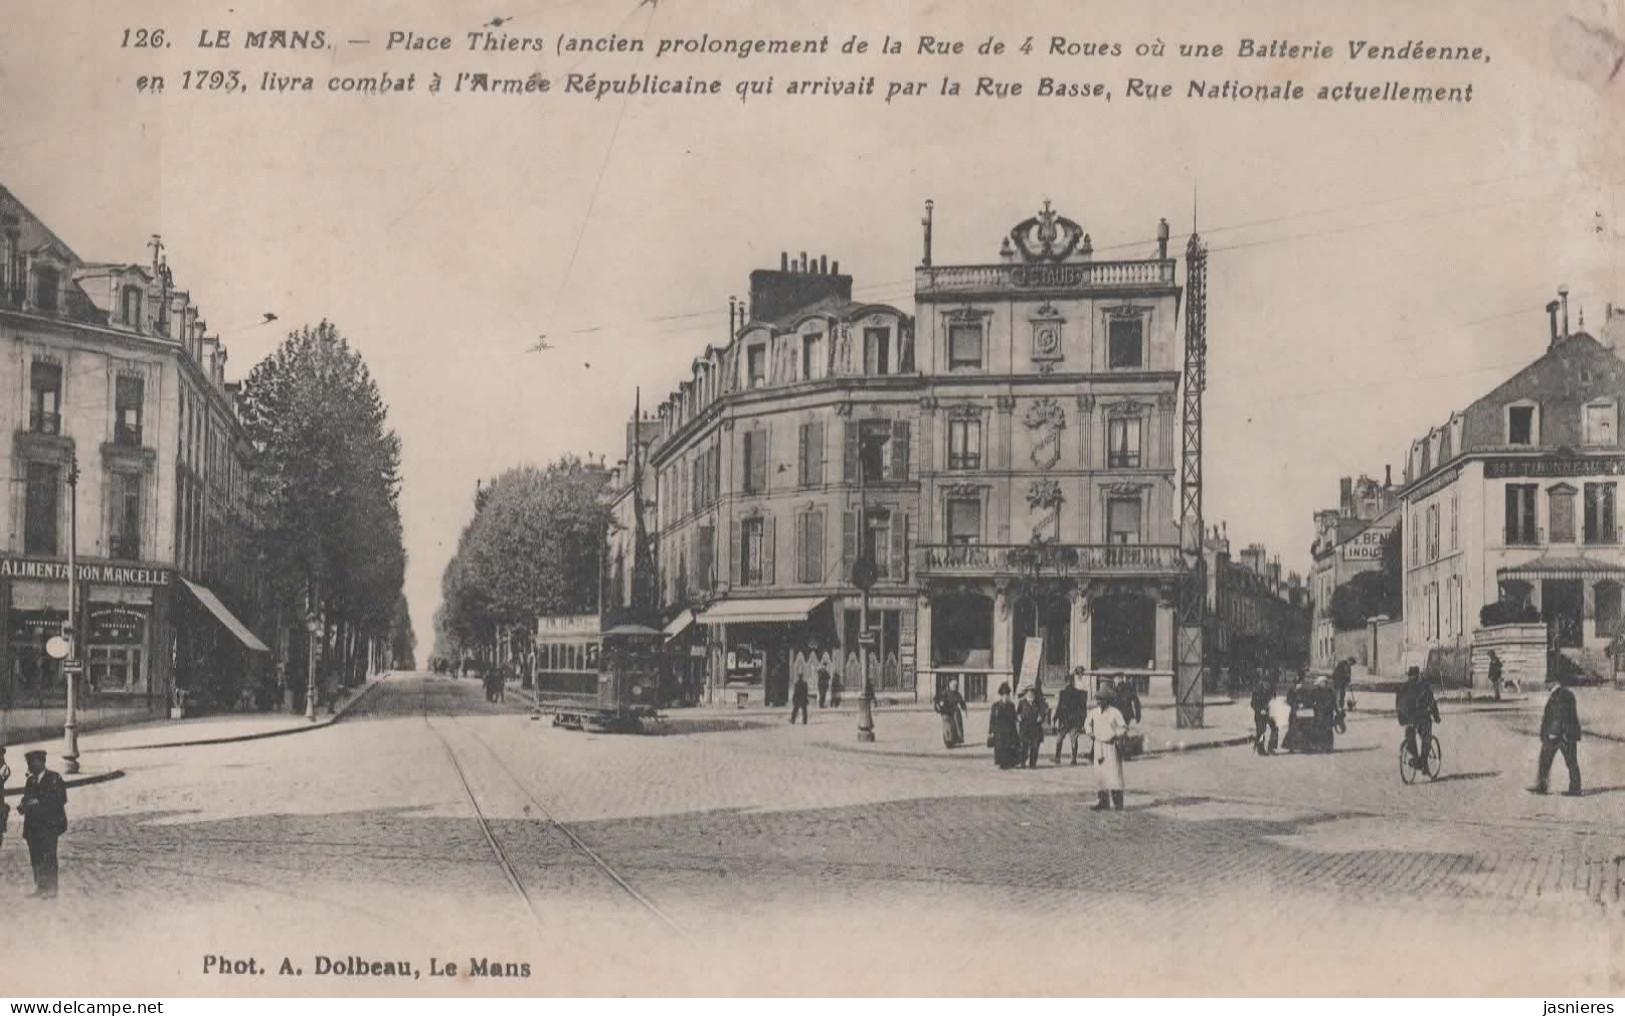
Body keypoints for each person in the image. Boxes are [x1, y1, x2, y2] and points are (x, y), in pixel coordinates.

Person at [17, 749, 66, 899]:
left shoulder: (54, 778)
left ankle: (52, 889)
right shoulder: (30, 781)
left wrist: (38, 803)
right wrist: (23, 805)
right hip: (33, 827)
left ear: (41, 762)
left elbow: (61, 799)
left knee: (49, 855)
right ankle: (40, 886)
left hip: (49, 825)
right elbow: (27, 799)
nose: (30, 766)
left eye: (33, 762)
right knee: (36, 857)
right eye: (29, 763)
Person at [1533, 674, 1582, 796]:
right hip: (1563, 733)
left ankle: (1574, 789)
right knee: (1565, 761)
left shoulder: (1561, 695)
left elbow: (1560, 715)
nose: (1545, 685)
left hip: (1560, 735)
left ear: (1553, 682)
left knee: (1567, 761)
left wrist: (1556, 732)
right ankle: (1543, 786)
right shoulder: (1564, 694)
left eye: (1547, 683)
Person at [1084, 687, 1127, 811]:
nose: (1099, 702)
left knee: (1114, 775)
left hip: (1111, 746)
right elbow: (1087, 723)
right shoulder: (1094, 712)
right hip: (1098, 745)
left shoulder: (1115, 713)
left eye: (1102, 700)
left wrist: (1117, 734)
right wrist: (1090, 732)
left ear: (1107, 701)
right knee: (1100, 775)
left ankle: (1118, 804)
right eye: (1098, 700)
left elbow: (1123, 727)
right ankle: (1103, 802)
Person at [1397, 666, 1440, 771]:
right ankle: (1422, 762)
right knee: (1426, 738)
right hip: (1422, 717)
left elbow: (1398, 703)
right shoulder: (1424, 686)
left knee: (1410, 735)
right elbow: (1432, 703)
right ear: (1418, 675)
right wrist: (1436, 717)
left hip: (1409, 718)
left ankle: (1416, 758)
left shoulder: (1404, 687)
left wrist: (1401, 718)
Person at [1053, 671, 1089, 765]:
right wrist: (1082, 721)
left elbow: (1059, 707)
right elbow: (1082, 708)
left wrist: (1055, 718)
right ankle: (1073, 759)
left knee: (1060, 739)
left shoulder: (1063, 693)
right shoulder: (1079, 693)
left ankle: (1058, 757)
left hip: (1065, 720)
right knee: (1073, 740)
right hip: (1074, 720)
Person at [988, 683, 1021, 770]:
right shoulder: (995, 706)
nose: (1006, 697)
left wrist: (1018, 718)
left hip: (1010, 729)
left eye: (1008, 695)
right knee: (1000, 747)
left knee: (1010, 746)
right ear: (1001, 696)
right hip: (999, 730)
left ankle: (1010, 762)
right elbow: (992, 719)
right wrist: (990, 731)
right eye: (1004, 695)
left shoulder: (1011, 706)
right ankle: (1001, 763)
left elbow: (1014, 716)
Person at [1017, 687, 1047, 769]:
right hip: (1025, 728)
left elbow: (1043, 713)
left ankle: (1032, 764)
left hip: (1035, 728)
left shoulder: (1038, 703)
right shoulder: (1022, 703)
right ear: (1026, 694)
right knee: (1024, 746)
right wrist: (1018, 717)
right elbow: (1017, 713)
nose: (1031, 696)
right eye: (1029, 694)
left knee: (1035, 746)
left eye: (1032, 694)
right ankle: (1023, 762)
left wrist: (1041, 717)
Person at [934, 679, 967, 748]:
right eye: (953, 685)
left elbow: (962, 702)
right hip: (946, 712)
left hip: (955, 712)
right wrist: (939, 706)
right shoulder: (944, 693)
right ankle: (948, 742)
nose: (954, 686)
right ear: (949, 685)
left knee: (955, 727)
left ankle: (954, 741)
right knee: (947, 727)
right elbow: (936, 699)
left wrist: (964, 710)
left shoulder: (957, 694)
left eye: (955, 685)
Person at [1250, 674, 1278, 756]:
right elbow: (1253, 704)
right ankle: (1260, 750)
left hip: (1269, 713)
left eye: (1269, 683)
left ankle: (1271, 747)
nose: (1267, 685)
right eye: (1266, 683)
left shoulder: (1271, 690)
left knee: (1275, 728)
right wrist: (1260, 710)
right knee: (1261, 731)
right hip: (1259, 714)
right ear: (1262, 683)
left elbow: (1273, 700)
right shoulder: (1257, 691)